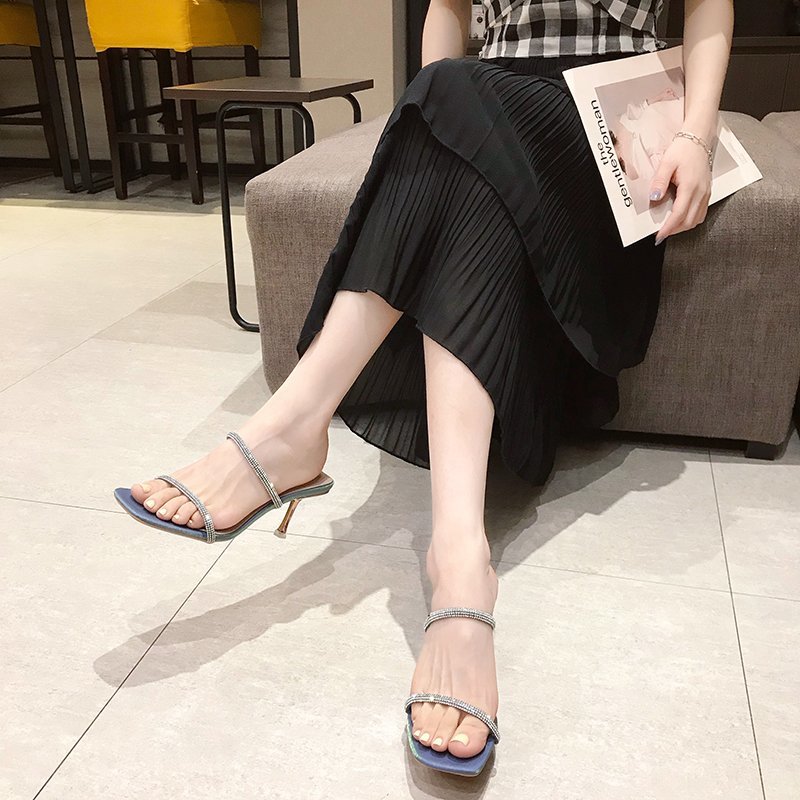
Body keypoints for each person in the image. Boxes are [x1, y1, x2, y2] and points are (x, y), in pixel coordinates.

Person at [115, 0, 733, 777]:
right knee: (452, 104)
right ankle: (459, 559)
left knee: (451, 94)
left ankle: (293, 429)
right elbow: (448, 9)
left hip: (612, 111)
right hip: (494, 90)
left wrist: (696, 134)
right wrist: (444, 125)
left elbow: (712, 6)